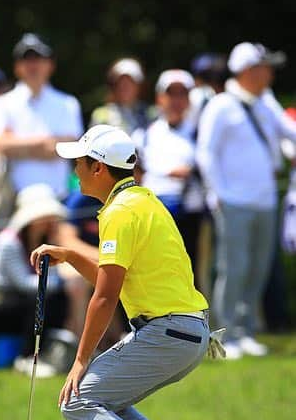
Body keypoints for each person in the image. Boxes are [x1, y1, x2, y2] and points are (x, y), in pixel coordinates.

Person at [32, 124, 212, 420]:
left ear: (99, 168)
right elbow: (111, 275)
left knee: (76, 400)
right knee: (104, 397)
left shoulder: (118, 212)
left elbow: (105, 296)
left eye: (79, 163)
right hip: (187, 332)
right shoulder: (143, 201)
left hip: (168, 332)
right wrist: (70, 255)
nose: (74, 170)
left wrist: (80, 361)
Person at [196, 42, 296, 359]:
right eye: (264, 67)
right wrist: (218, 193)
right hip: (233, 201)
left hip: (265, 199)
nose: (270, 74)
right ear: (249, 71)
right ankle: (227, 335)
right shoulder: (221, 105)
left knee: (259, 267)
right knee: (234, 268)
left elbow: (288, 133)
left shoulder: (266, 102)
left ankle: (247, 329)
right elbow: (206, 152)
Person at [0, 184, 70, 374]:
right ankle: (26, 356)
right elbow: (23, 283)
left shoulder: (46, 241)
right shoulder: (8, 241)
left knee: (56, 299)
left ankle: (47, 351)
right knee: (41, 300)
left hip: (23, 300)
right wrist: (60, 283)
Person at [0, 32, 83, 199]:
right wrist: (47, 144)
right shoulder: (1, 103)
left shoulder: (68, 103)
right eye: (26, 59)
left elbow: (72, 148)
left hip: (58, 197)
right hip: (13, 200)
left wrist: (16, 145)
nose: (33, 65)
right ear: (17, 67)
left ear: (51, 65)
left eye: (38, 58)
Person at [139, 70, 206, 268]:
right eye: (171, 93)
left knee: (190, 272)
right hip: (155, 214)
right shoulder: (145, 133)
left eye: (182, 94)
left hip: (191, 215)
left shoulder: (200, 132)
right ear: (160, 97)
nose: (176, 100)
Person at [89, 58, 154, 136]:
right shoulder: (100, 115)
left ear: (139, 86)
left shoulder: (152, 113)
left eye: (130, 82)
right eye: (120, 82)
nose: (124, 87)